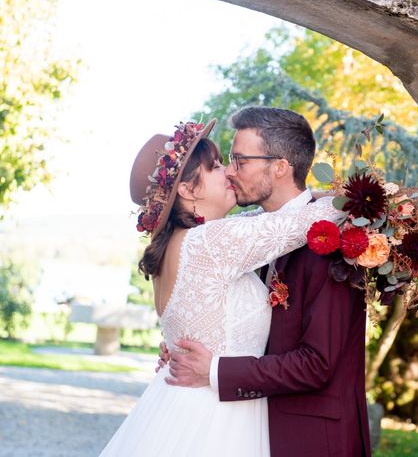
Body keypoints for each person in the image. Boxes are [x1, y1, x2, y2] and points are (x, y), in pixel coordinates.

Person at [99, 117, 343, 456]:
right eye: (215, 166)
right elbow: (300, 221)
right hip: (218, 417)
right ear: (186, 189)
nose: (228, 171)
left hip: (180, 405)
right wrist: (370, 203)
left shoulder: (180, 246)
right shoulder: (210, 243)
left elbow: (261, 220)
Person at [159, 107, 372, 457]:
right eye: (226, 160)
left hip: (312, 439)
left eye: (239, 160)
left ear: (279, 166)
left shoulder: (334, 244)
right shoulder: (246, 237)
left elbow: (317, 363)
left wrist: (214, 370)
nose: (229, 171)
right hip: (244, 431)